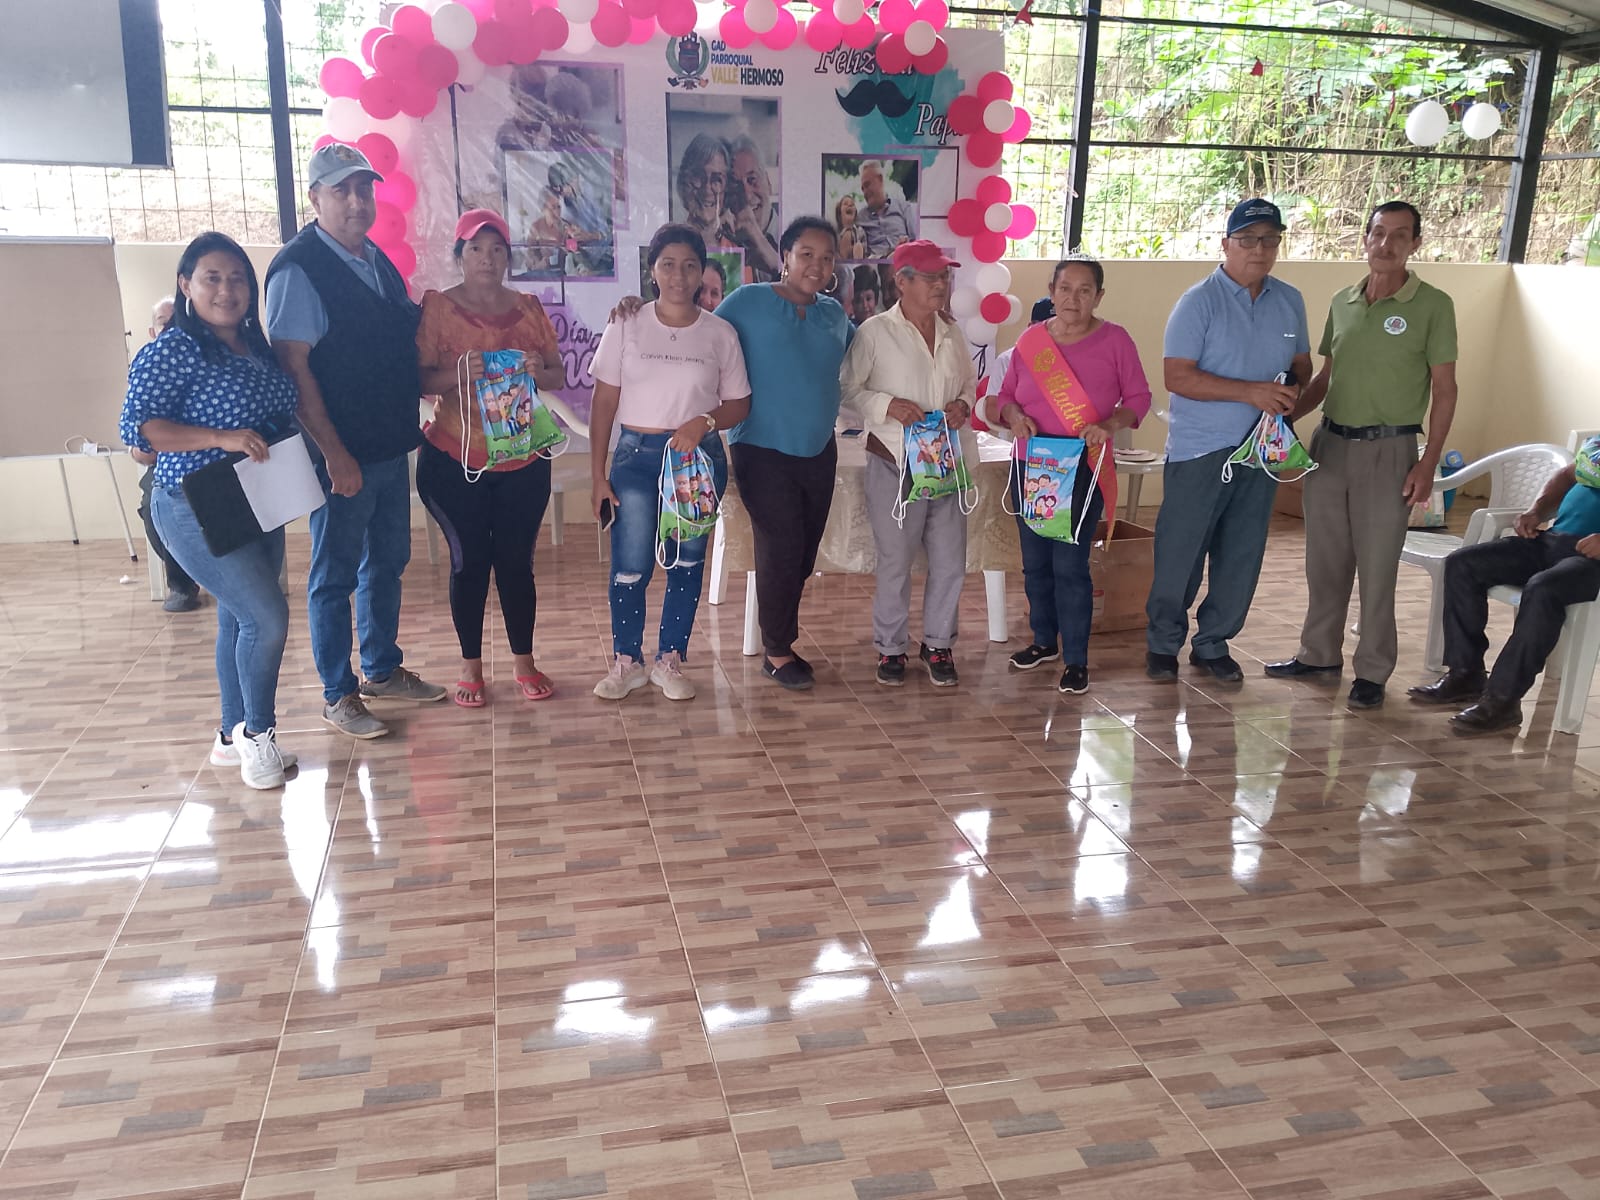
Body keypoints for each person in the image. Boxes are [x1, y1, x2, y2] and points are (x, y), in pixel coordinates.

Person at [265, 143, 445, 740]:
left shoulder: (375, 259)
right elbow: (293, 368)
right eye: (340, 190)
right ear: (314, 198)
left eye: (363, 189)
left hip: (390, 444)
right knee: (335, 573)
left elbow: (401, 335)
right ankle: (338, 693)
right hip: (340, 455)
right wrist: (334, 453)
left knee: (388, 561)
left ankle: (382, 670)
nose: (355, 201)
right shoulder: (298, 268)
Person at [119, 233, 300, 789]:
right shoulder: (173, 349)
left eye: (237, 278)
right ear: (186, 285)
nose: (227, 290)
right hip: (194, 503)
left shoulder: (254, 346)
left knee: (238, 616)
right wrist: (219, 437)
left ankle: (230, 735)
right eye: (212, 278)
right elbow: (141, 430)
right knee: (267, 618)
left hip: (259, 496)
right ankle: (259, 735)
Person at [1265, 201, 1458, 709]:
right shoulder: (1344, 300)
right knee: (1324, 562)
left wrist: (1428, 462)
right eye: (1378, 233)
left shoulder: (1433, 306)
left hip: (1390, 451)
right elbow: (1327, 377)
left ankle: (1372, 670)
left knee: (1377, 568)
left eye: (1400, 235)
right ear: (1366, 238)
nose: (1386, 244)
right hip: (1330, 446)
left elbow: (1445, 390)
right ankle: (1318, 654)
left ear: (1415, 244)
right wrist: (1283, 420)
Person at [1146, 198, 1312, 682]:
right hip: (1201, 450)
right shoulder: (1198, 301)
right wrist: (1251, 392)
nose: (1259, 249)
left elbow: (1301, 363)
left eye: (1269, 239)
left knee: (1241, 553)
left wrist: (1290, 391)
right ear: (1226, 244)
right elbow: (1177, 376)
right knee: (1181, 553)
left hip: (1260, 451)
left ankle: (1214, 643)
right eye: (1247, 239)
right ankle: (1163, 643)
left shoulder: (1290, 301)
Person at [589, 223, 751, 701]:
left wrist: (704, 421)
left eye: (689, 266)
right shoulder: (626, 322)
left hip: (696, 461)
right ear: (652, 270)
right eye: (668, 265)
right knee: (630, 564)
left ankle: (670, 659)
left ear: (702, 272)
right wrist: (597, 475)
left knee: (686, 562)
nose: (679, 276)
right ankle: (627, 661)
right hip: (636, 458)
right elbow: (604, 402)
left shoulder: (720, 333)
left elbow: (739, 403)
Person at [414, 209, 568, 709]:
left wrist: (537, 370)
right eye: (476, 248)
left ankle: (524, 660)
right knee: (469, 564)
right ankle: (471, 666)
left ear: (508, 257)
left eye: (497, 249)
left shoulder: (528, 308)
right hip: (455, 459)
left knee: (517, 564)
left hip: (523, 460)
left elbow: (557, 375)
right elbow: (419, 379)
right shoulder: (438, 308)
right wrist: (458, 373)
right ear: (459, 255)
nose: (487, 258)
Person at [986, 256, 1152, 694]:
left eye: (1084, 290)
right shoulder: (1031, 341)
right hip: (1032, 465)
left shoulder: (1115, 340)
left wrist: (1109, 425)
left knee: (1070, 566)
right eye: (1065, 288)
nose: (1073, 298)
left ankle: (1076, 658)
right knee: (1035, 563)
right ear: (1051, 291)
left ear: (1099, 296)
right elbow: (1005, 397)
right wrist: (1014, 416)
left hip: (1082, 468)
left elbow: (1139, 398)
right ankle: (1044, 641)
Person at [718, 216, 855, 689]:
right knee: (781, 546)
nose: (817, 265)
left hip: (818, 448)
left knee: (803, 552)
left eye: (827, 257)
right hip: (760, 447)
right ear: (785, 257)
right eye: (806, 254)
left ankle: (780, 641)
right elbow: (701, 336)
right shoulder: (747, 301)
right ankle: (776, 650)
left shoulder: (833, 315)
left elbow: (867, 355)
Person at [842, 240, 978, 687]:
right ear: (902, 281)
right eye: (930, 277)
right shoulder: (875, 332)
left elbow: (970, 384)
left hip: (947, 463)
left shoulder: (952, 332)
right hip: (895, 462)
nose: (941, 285)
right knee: (896, 561)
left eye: (944, 277)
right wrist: (887, 405)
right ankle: (891, 647)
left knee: (950, 561)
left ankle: (938, 643)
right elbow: (847, 389)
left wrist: (962, 405)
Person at [1408, 445, 1600, 734]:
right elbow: (1566, 476)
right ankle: (1466, 674)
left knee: (1543, 589)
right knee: (1463, 564)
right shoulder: (1596, 444)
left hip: (1592, 561)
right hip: (1554, 541)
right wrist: (1536, 511)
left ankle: (1502, 701)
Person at [130, 296, 202, 613]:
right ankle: (182, 584)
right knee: (153, 507)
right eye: (164, 323)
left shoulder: (207, 361)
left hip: (214, 461)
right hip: (165, 468)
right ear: (152, 331)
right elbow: (141, 450)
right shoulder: (146, 369)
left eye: (178, 321)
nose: (173, 329)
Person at [726, 134, 782, 279]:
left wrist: (758, 238)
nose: (746, 195)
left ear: (768, 182)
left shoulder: (793, 235)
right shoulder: (726, 243)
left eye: (752, 179)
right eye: (736, 185)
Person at [675, 133, 732, 251]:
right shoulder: (671, 243)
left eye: (717, 179)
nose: (707, 189)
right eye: (698, 177)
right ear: (684, 182)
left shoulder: (736, 249)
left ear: (726, 187)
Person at [856, 160, 916, 257]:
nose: (865, 192)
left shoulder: (903, 207)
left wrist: (906, 245)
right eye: (863, 189)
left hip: (903, 259)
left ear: (880, 179)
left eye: (867, 185)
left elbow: (916, 240)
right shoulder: (860, 217)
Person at [835, 194, 867, 260]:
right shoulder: (835, 232)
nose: (849, 205)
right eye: (845, 203)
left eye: (852, 204)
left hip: (857, 260)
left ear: (855, 213)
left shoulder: (860, 231)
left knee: (858, 246)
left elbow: (865, 251)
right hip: (839, 261)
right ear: (839, 213)